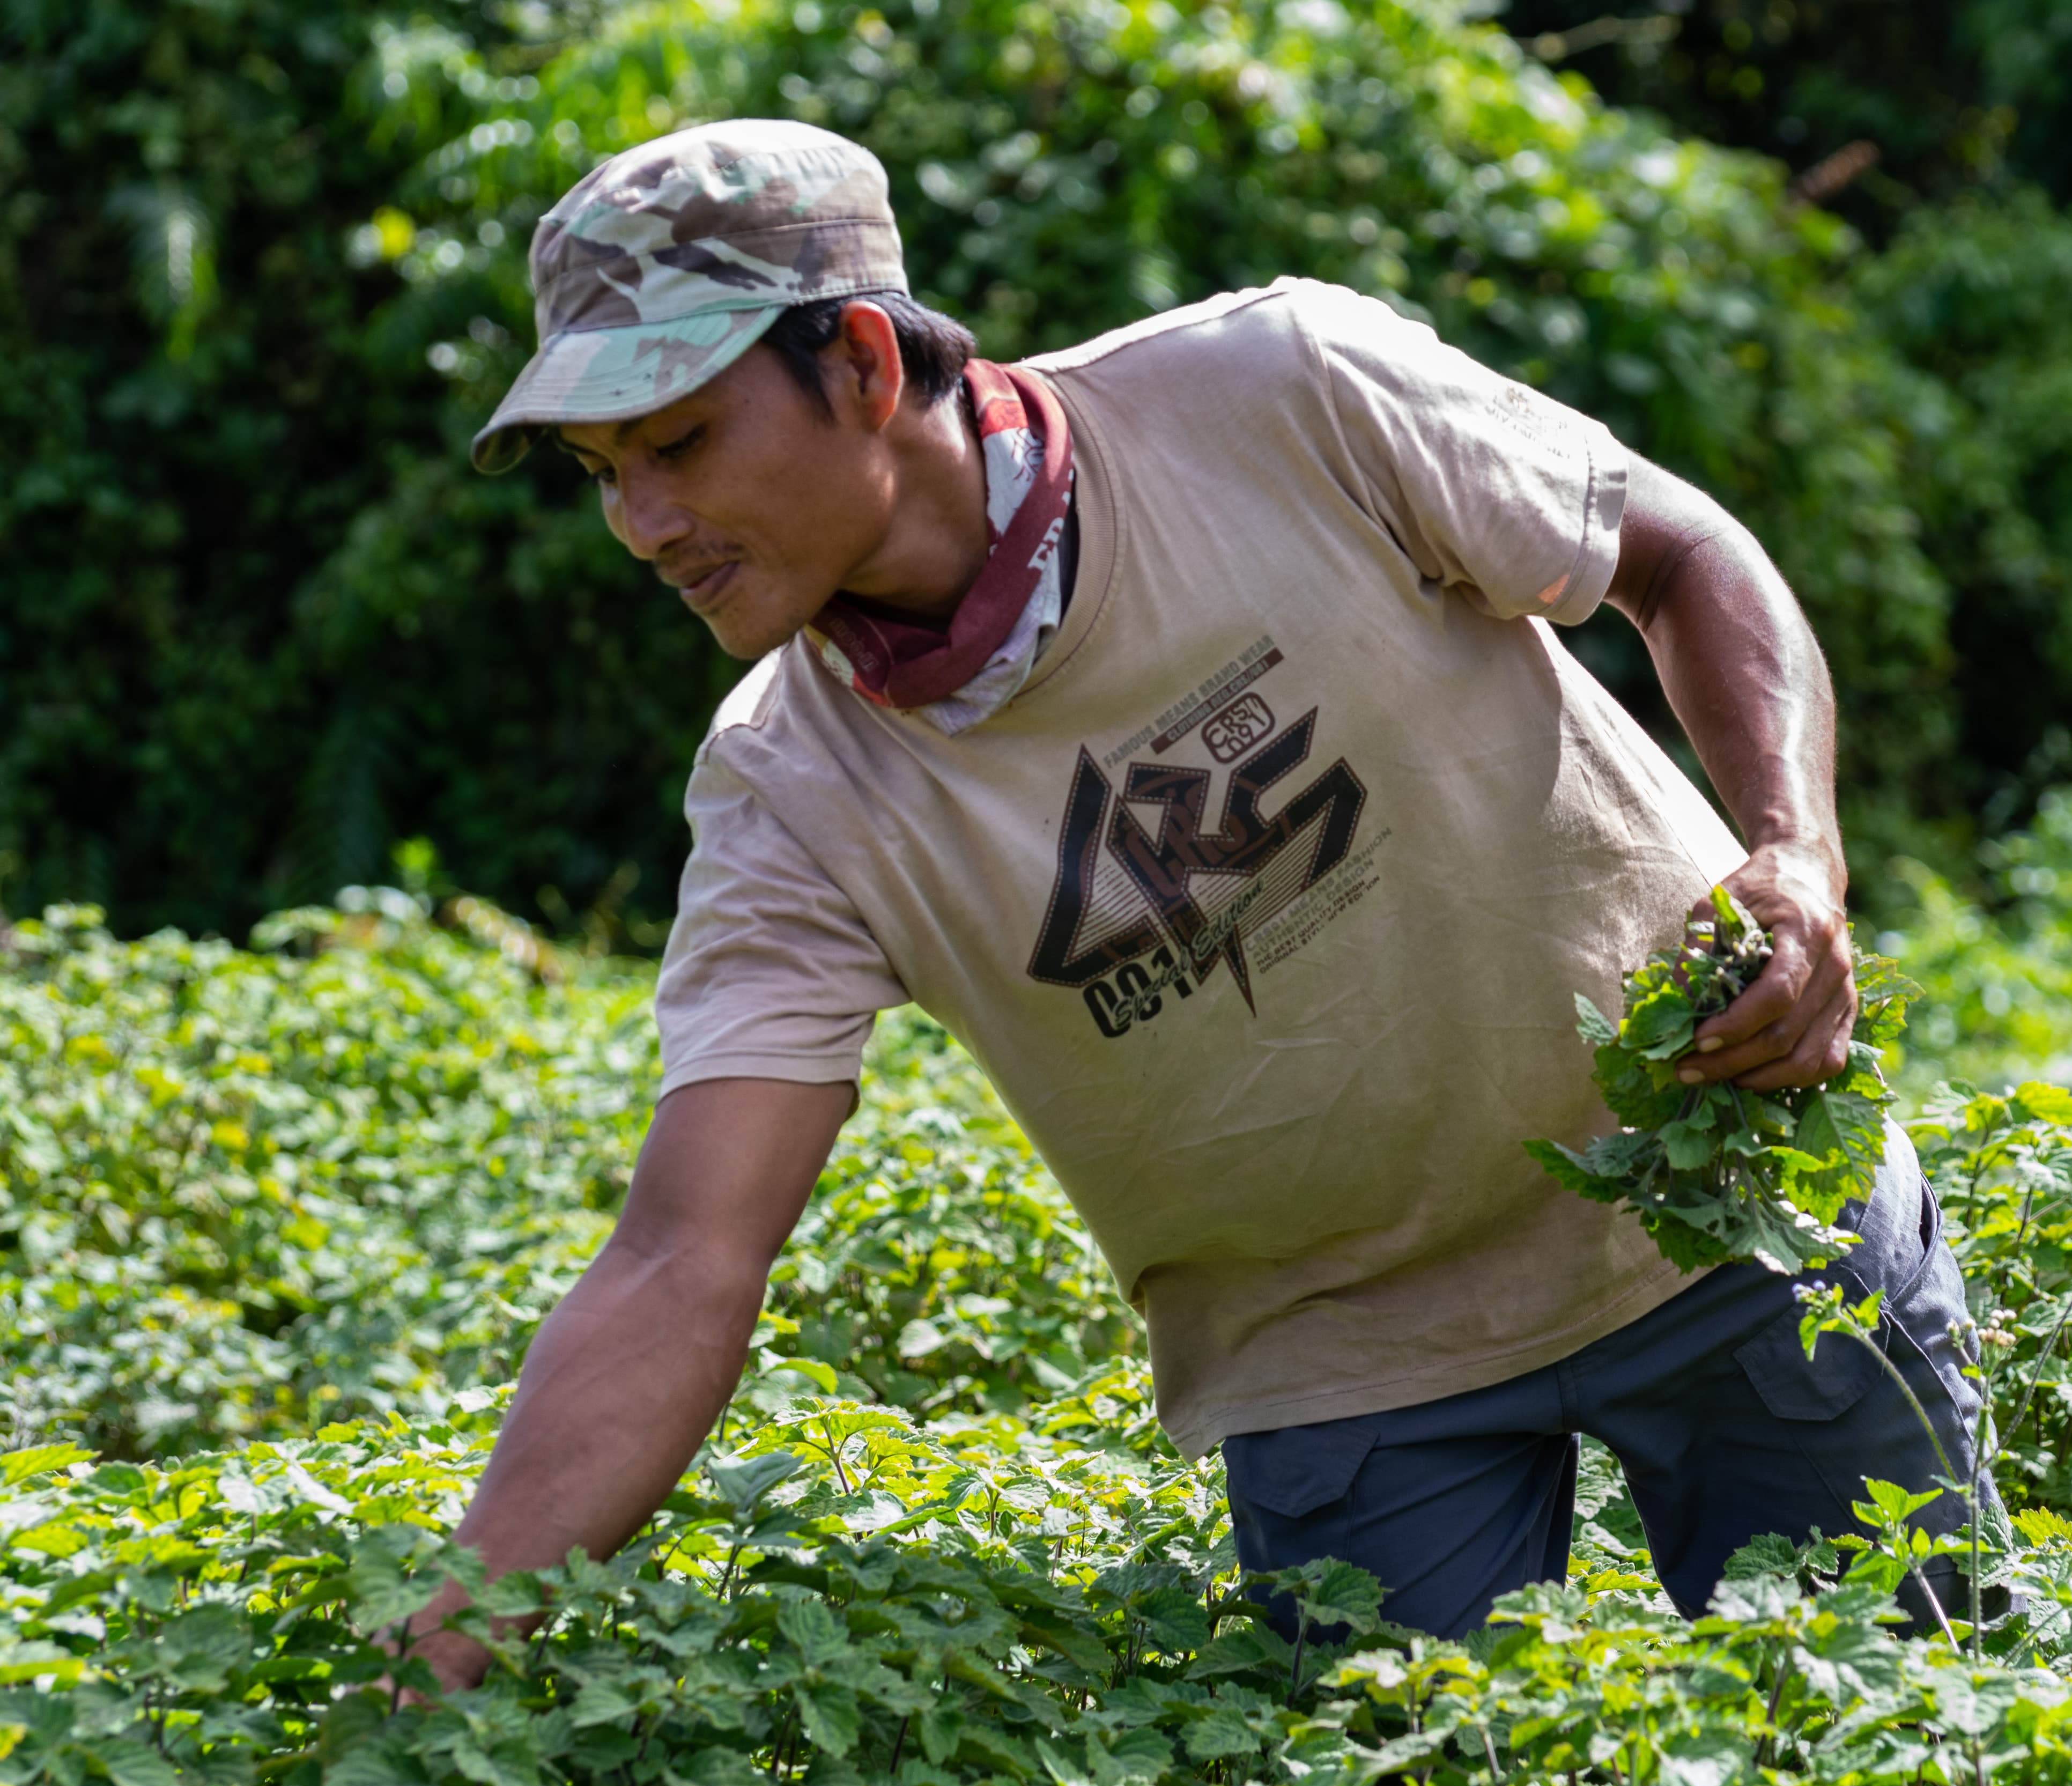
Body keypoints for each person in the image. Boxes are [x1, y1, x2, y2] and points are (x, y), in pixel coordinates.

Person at [408, 117, 1986, 1689]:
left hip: (1721, 1200)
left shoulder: (1278, 392)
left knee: (1915, 1735)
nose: (641, 523)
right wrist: (456, 1643)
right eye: (604, 474)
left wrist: (1793, 854)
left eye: (677, 444)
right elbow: (687, 1255)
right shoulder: (788, 791)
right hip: (1345, 1361)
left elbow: (1680, 558)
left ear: (870, 366)